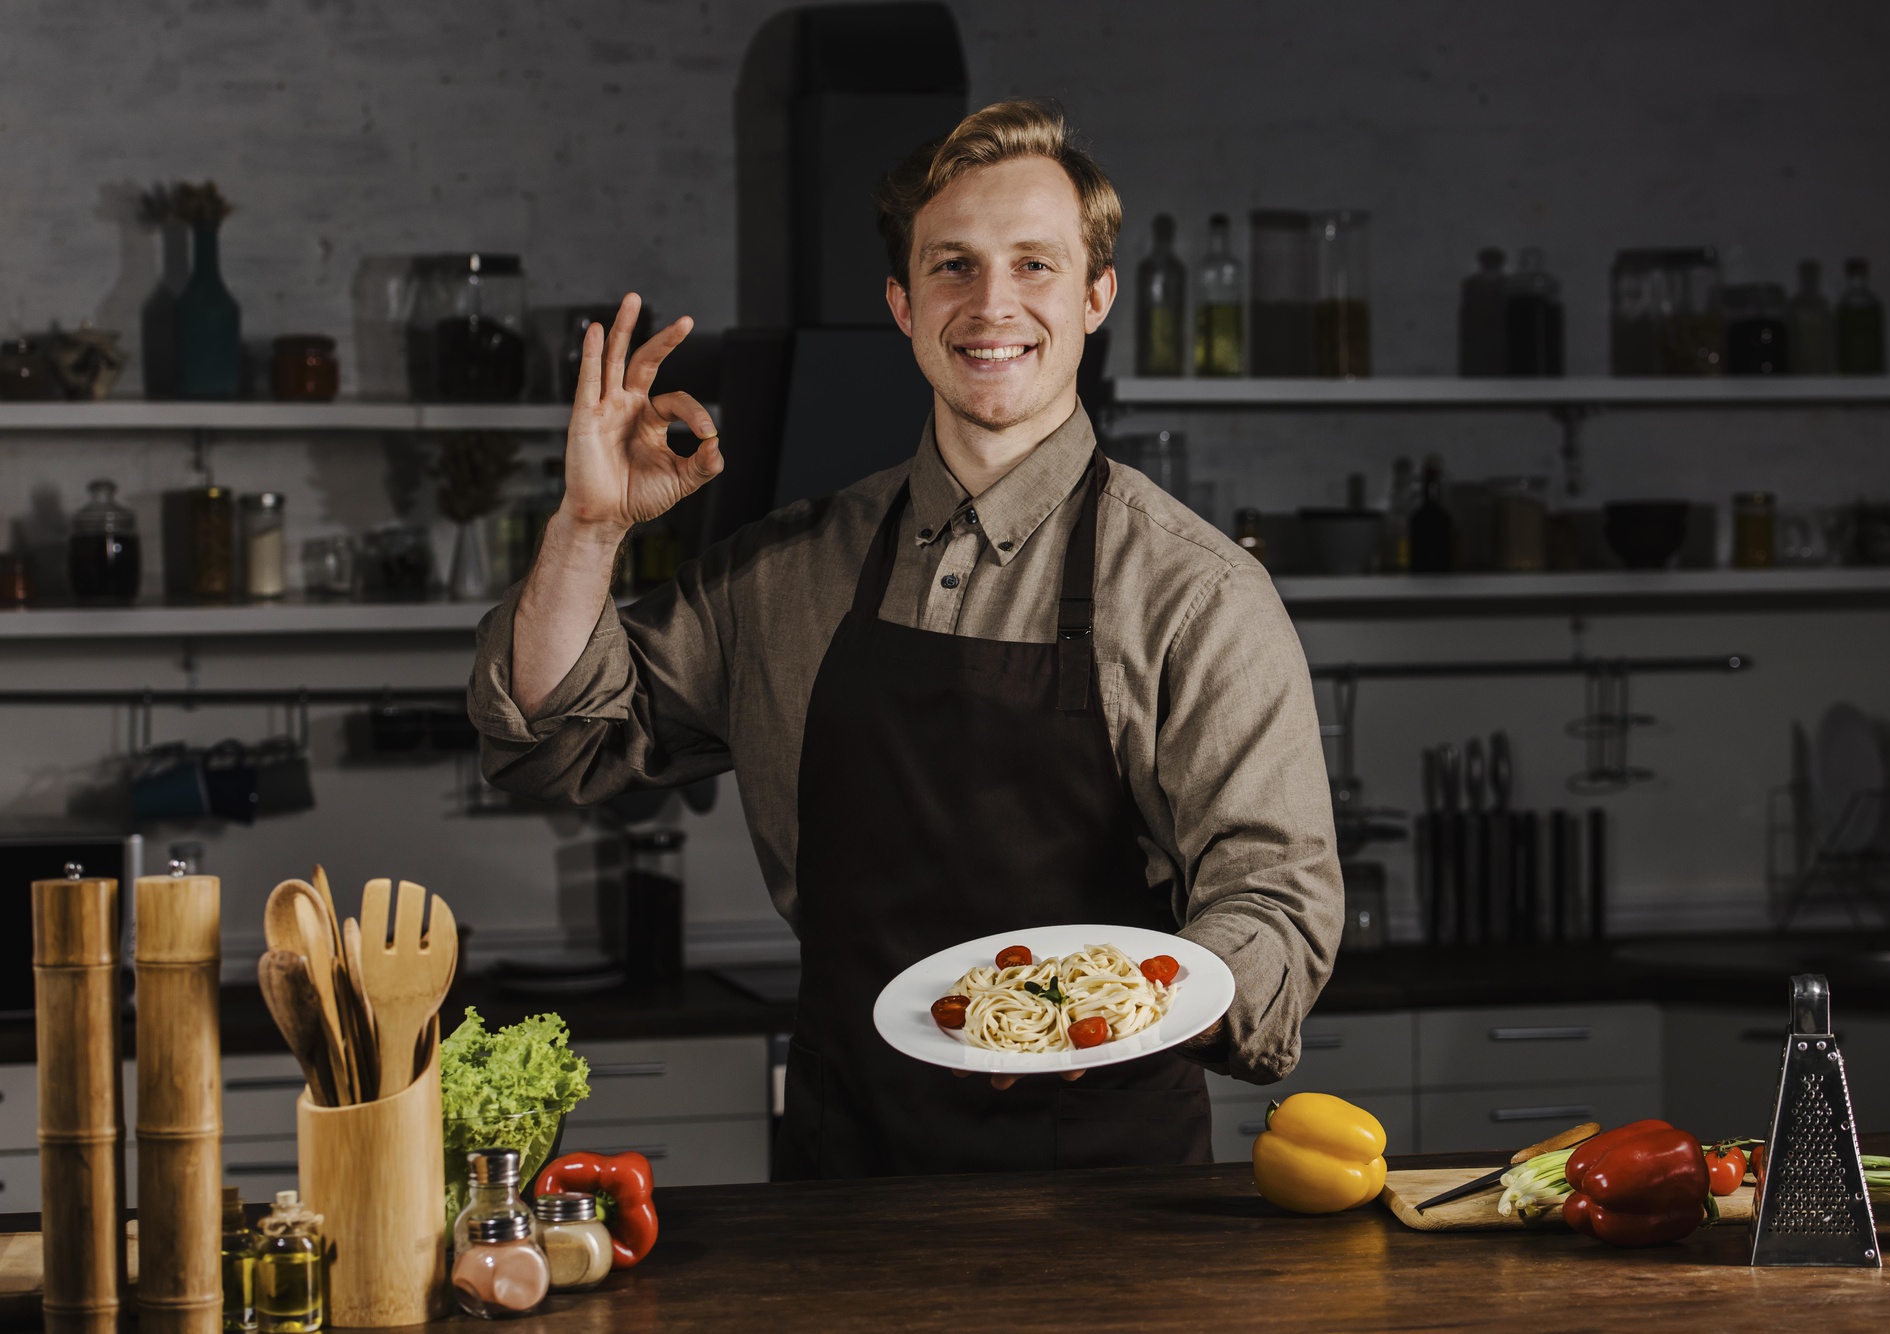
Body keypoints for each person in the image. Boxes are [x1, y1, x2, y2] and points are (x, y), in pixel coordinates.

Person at [470, 100, 1342, 1178]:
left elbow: (1274, 898)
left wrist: (1125, 1011)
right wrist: (588, 528)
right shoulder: (782, 570)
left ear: (1094, 296)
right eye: (951, 267)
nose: (991, 305)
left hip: (1110, 1188)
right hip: (845, 1171)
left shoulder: (1195, 591)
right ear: (900, 302)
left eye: (1034, 265)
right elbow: (558, 732)